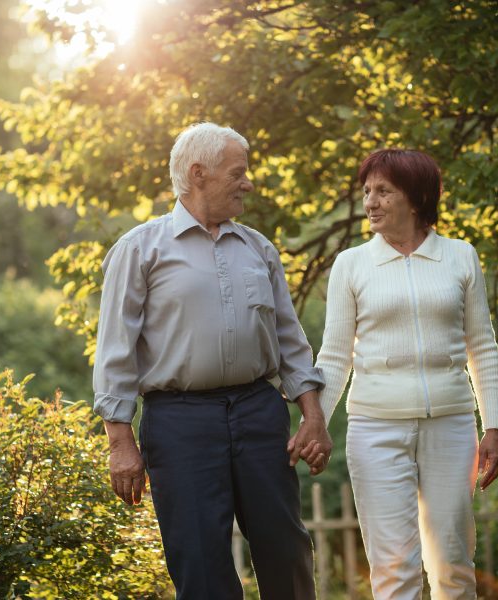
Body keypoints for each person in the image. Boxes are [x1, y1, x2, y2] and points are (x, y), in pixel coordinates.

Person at [92, 122, 333, 599]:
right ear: (199, 174)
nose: (248, 183)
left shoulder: (258, 249)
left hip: (258, 412)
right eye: (238, 172)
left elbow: (289, 338)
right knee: (199, 559)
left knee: (286, 546)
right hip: (179, 420)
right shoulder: (139, 249)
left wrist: (312, 415)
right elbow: (115, 351)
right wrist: (120, 441)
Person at [315, 149, 498, 599]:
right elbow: (335, 356)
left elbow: (483, 346)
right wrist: (314, 421)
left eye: (384, 191)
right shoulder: (351, 265)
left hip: (451, 426)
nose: (371, 202)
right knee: (393, 568)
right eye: (367, 192)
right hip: (374, 429)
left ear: (417, 199)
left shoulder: (460, 257)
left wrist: (493, 425)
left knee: (454, 562)